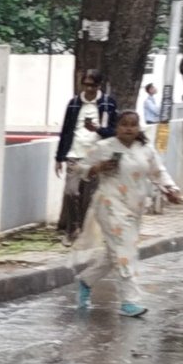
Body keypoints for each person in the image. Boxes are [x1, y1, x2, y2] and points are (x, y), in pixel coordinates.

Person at [73, 111, 183, 317]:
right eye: (124, 124)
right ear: (116, 127)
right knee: (125, 252)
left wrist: (171, 189)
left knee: (115, 252)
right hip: (109, 204)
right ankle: (129, 302)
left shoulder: (145, 149)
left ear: (138, 127)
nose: (129, 128)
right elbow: (81, 168)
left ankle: (86, 281)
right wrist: (99, 167)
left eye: (133, 125)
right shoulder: (104, 147)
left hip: (135, 207)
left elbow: (158, 172)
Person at [55, 69, 117, 242]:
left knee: (88, 197)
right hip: (74, 154)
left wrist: (98, 129)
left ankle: (82, 231)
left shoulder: (108, 103)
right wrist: (59, 157)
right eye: (86, 84)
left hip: (96, 157)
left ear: (99, 85)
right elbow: (66, 131)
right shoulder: (74, 103)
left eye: (93, 85)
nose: (89, 88)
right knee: (71, 192)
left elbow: (113, 131)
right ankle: (71, 228)